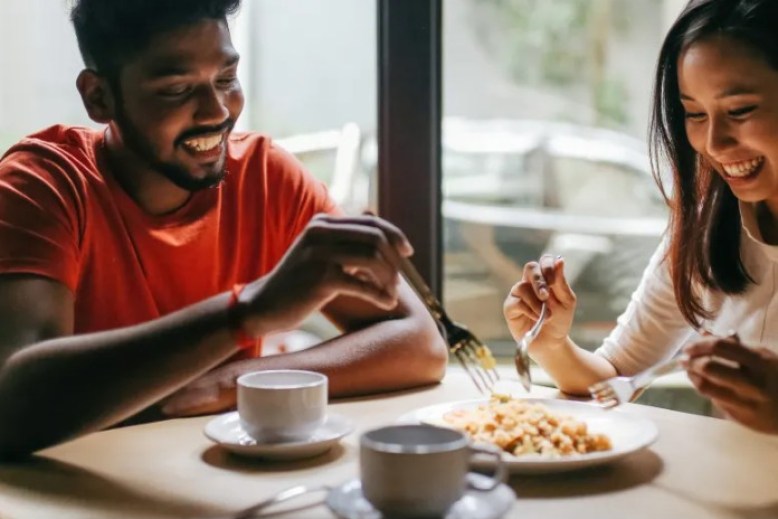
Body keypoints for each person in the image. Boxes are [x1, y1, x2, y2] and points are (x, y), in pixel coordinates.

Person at [0, 0, 448, 458]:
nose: (216, 111)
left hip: (208, 478)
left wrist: (230, 381)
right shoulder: (44, 183)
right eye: (176, 89)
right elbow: (10, 405)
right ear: (99, 97)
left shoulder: (265, 177)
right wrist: (246, 312)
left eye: (226, 79)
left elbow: (420, 344)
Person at [503, 0, 778, 435]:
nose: (715, 142)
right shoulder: (711, 225)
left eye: (740, 111)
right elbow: (616, 374)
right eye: (695, 114)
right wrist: (551, 344)